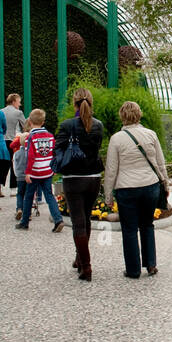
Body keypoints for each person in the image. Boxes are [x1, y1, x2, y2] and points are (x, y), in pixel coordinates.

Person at [104, 100, 169, 281]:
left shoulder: (116, 139)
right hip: (150, 186)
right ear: (139, 114)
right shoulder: (151, 134)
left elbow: (111, 170)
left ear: (122, 116)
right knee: (147, 224)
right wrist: (166, 184)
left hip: (126, 189)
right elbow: (160, 163)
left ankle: (133, 270)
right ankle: (151, 264)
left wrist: (108, 194)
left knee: (130, 229)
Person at [55, 88, 104, 281]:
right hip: (93, 177)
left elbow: (57, 150)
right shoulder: (98, 125)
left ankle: (86, 266)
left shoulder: (66, 125)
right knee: (86, 219)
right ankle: (79, 258)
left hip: (73, 178)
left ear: (74, 103)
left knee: (78, 223)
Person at [15, 110, 65, 233]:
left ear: (30, 122)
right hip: (47, 171)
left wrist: (28, 172)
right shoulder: (50, 136)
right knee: (49, 195)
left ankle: (24, 222)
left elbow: (30, 156)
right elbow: (54, 153)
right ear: (43, 122)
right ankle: (58, 219)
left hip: (35, 172)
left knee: (28, 196)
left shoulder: (30, 137)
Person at [3, 94, 26, 194]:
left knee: (3, 164)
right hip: (14, 139)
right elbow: (25, 125)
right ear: (13, 101)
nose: (20, 104)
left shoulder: (1, 111)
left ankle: (0, 185)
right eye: (18, 101)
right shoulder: (18, 113)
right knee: (14, 163)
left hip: (3, 139)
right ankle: (13, 188)